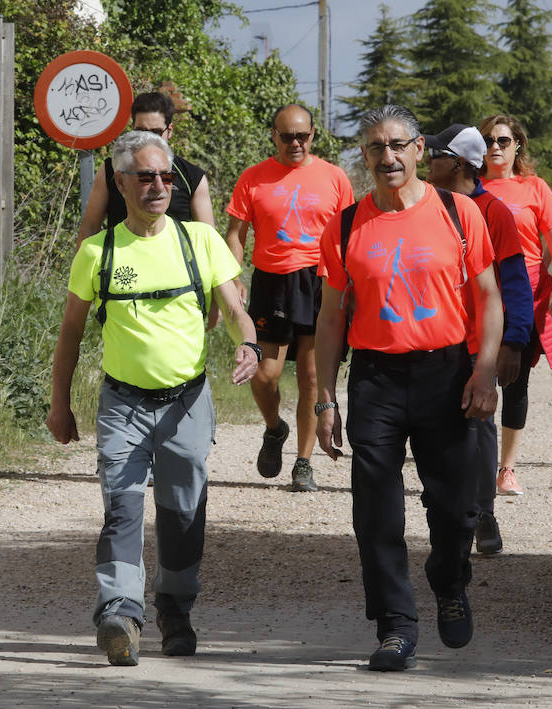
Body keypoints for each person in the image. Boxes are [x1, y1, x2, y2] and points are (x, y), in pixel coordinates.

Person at [45, 132, 259, 666]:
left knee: (183, 512)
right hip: (123, 405)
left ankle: (176, 609)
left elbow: (234, 310)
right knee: (121, 506)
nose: (159, 186)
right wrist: (59, 402)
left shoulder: (201, 241)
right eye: (145, 177)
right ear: (120, 184)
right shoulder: (98, 251)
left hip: (187, 402)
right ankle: (119, 613)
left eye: (166, 177)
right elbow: (70, 331)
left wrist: (248, 345)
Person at [314, 105, 503, 672]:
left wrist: (485, 369)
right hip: (375, 377)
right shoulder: (346, 224)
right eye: (375, 147)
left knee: (455, 506)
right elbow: (329, 318)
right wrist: (325, 397)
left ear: (420, 149)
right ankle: (395, 625)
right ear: (364, 155)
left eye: (398, 145)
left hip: (446, 373)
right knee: (375, 507)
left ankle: (448, 580)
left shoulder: (458, 212)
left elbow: (489, 297)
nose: (387, 157)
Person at [225, 104, 354, 492]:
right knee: (265, 375)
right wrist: (234, 277)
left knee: (312, 376)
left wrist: (352, 282)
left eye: (303, 135)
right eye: (287, 136)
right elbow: (235, 233)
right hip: (272, 282)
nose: (296, 143)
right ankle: (274, 428)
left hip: (320, 281)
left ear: (314, 134)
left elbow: (350, 233)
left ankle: (303, 463)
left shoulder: (334, 177)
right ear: (273, 136)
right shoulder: (253, 178)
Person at [424, 123, 533, 556]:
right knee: (435, 427)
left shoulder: (495, 213)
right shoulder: (423, 206)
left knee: (480, 424)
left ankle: (484, 511)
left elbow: (515, 283)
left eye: (435, 154)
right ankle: (447, 506)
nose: (426, 160)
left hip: (479, 343)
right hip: (433, 338)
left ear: (458, 162)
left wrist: (514, 342)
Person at [479, 114, 552, 495]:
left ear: (518, 145)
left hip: (526, 293)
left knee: (515, 381)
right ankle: (473, 464)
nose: (494, 147)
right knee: (472, 373)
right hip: (478, 289)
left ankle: (507, 469)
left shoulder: (534, 187)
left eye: (502, 140)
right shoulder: (469, 188)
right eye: (487, 140)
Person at [78, 92, 215, 244]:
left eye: (155, 132)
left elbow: (208, 240)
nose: (147, 138)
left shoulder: (192, 176)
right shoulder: (111, 170)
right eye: (140, 131)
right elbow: (90, 227)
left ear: (170, 131)